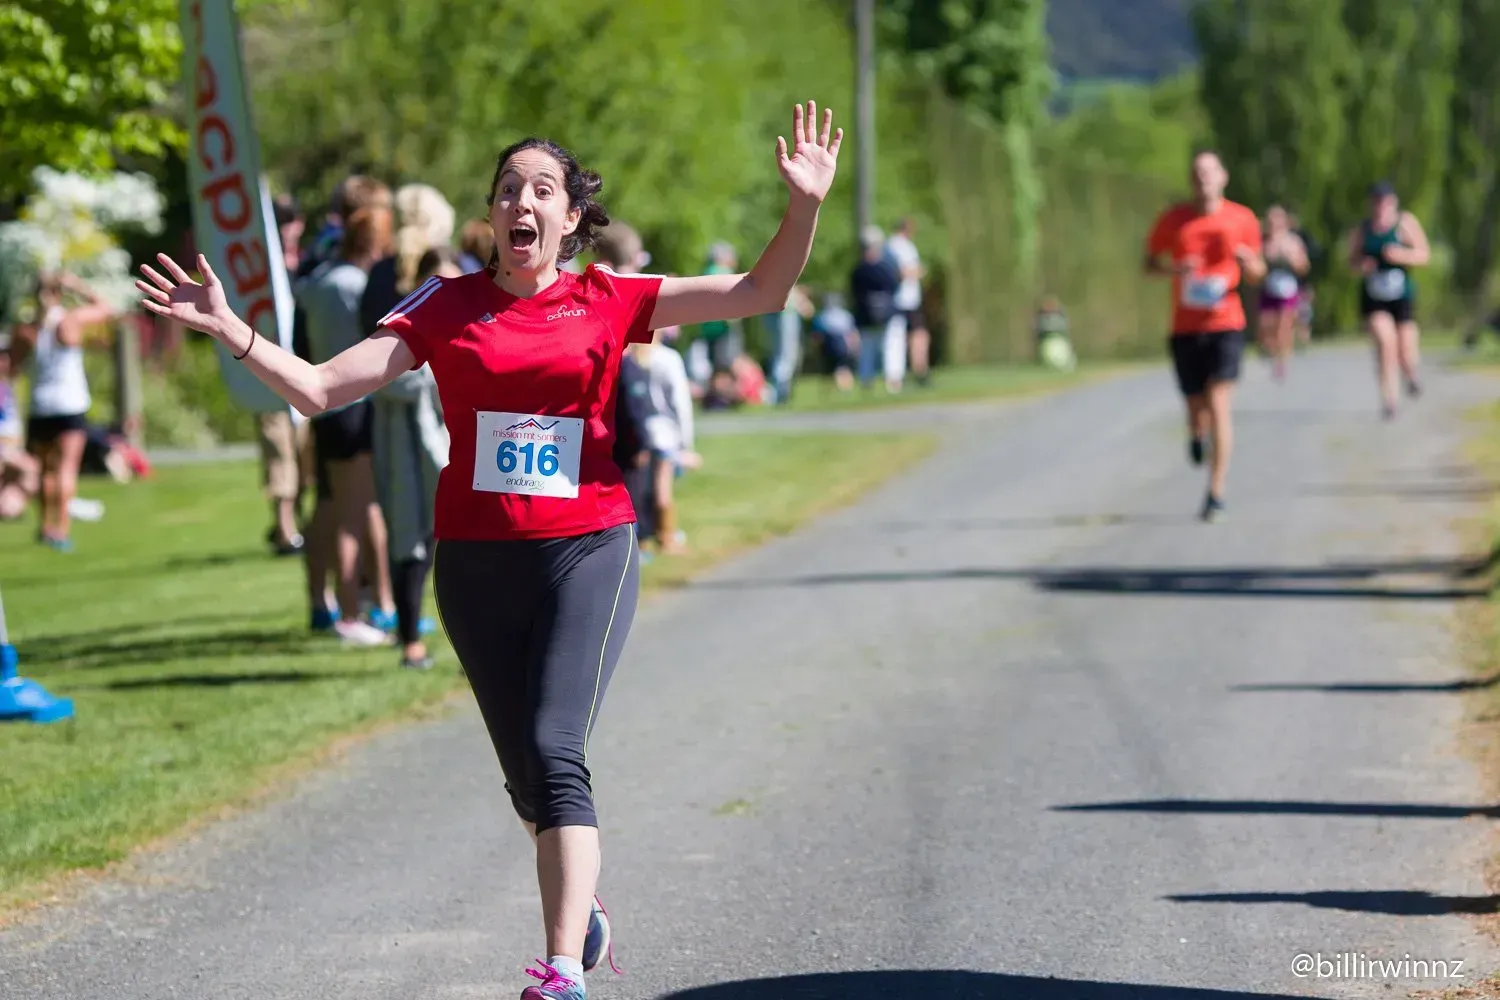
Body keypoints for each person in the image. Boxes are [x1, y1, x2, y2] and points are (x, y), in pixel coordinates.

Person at [136, 100, 842, 1000]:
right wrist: (230, 329)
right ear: (493, 217)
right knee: (526, 780)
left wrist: (805, 207)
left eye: (543, 189)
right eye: (509, 188)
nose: (523, 202)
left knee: (556, 751)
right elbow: (317, 390)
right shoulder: (447, 304)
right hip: (473, 564)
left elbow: (758, 294)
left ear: (572, 218)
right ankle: (579, 910)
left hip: (588, 546)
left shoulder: (611, 297)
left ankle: (558, 973)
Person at [295, 203, 398, 648]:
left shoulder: (319, 282)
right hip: (354, 403)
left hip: (327, 410)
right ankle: (352, 612)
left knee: (335, 507)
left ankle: (336, 603)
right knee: (355, 514)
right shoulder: (357, 286)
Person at [1144, 149, 1266, 522]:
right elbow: (1148, 265)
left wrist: (1250, 266)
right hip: (1185, 327)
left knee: (1219, 402)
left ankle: (1216, 492)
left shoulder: (1242, 218)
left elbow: (1258, 273)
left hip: (1227, 322)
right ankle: (1197, 436)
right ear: (1191, 180)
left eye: (1210, 172)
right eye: (1197, 173)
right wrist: (1174, 270)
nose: (1204, 179)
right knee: (1197, 409)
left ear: (1223, 177)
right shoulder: (1174, 220)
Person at [367, 246, 456, 670]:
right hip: (404, 455)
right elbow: (387, 381)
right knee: (410, 544)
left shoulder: (469, 328)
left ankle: (471, 644)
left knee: (458, 549)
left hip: (448, 455)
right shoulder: (401, 329)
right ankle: (409, 641)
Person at [13, 272, 117, 551]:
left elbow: (11, 365)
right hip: (69, 405)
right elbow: (106, 307)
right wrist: (77, 285)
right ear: (59, 293)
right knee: (66, 469)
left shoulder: (27, 330)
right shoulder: (69, 321)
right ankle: (62, 529)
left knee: (45, 471)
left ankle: (45, 527)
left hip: (39, 406)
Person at [1347, 181, 1431, 420]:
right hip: (1374, 297)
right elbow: (1351, 262)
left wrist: (1402, 255)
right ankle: (1389, 399)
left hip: (1401, 296)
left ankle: (1410, 374)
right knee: (1385, 343)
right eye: (1375, 201)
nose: (1380, 206)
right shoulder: (1363, 229)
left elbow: (1424, 255)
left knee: (1405, 349)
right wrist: (1361, 266)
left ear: (1393, 202)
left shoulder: (1405, 223)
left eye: (1384, 201)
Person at [258, 194, 312, 556]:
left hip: (305, 369)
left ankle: (295, 523)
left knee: (306, 456)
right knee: (279, 453)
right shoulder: (262, 270)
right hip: (270, 371)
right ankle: (285, 528)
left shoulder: (303, 266)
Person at [1257, 205, 1310, 382]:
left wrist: (1292, 259)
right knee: (1265, 325)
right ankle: (1272, 350)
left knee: (1283, 326)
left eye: (1277, 219)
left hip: (1288, 289)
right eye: (1271, 219)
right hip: (1268, 289)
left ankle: (1282, 362)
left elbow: (1304, 267)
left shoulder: (1293, 242)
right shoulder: (1263, 242)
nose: (1274, 223)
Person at [850, 225, 900, 392]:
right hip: (886, 315)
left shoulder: (857, 271)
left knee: (868, 350)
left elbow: (854, 295)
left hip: (865, 316)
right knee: (890, 347)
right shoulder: (885, 269)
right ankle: (892, 382)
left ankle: (866, 381)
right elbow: (894, 289)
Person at [885, 217, 930, 386]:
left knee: (916, 336)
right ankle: (910, 374)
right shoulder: (898, 246)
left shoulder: (898, 245)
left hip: (908, 299)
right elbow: (901, 271)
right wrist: (919, 271)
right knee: (901, 338)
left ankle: (917, 371)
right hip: (902, 299)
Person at [0, 334, 40, 522]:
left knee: (10, 507)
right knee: (32, 469)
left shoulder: (10, 383)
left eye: (7, 355)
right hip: (5, 449)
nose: (5, 361)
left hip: (12, 447)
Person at [810, 291, 857, 392]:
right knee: (844, 367)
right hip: (843, 346)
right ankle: (846, 388)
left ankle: (841, 388)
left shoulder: (821, 316)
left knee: (836, 368)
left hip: (829, 346)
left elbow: (816, 337)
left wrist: (816, 350)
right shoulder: (846, 315)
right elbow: (852, 334)